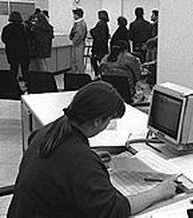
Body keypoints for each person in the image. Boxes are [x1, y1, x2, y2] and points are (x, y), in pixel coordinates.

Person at [7, 81, 176, 217]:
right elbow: (114, 211)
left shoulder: (53, 129)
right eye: (109, 120)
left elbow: (62, 163)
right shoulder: (79, 159)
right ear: (97, 121)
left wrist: (90, 159)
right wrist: (159, 192)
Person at [1, 11, 30, 81]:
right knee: (25, 69)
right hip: (23, 51)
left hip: (12, 51)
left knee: (13, 69)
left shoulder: (6, 28)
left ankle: (13, 84)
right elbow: (29, 39)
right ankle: (27, 83)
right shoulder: (24, 28)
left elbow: (4, 39)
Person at [90, 10, 110, 77]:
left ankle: (97, 73)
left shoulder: (100, 23)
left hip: (98, 46)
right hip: (104, 46)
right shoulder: (105, 24)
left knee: (94, 60)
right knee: (102, 61)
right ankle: (102, 73)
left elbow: (95, 33)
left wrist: (91, 31)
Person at [69, 8, 88, 73]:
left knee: (79, 61)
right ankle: (74, 74)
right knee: (74, 60)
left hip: (79, 44)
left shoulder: (81, 24)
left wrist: (73, 41)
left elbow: (79, 35)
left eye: (74, 14)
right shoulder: (78, 23)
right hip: (77, 44)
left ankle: (80, 74)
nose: (73, 16)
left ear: (77, 15)